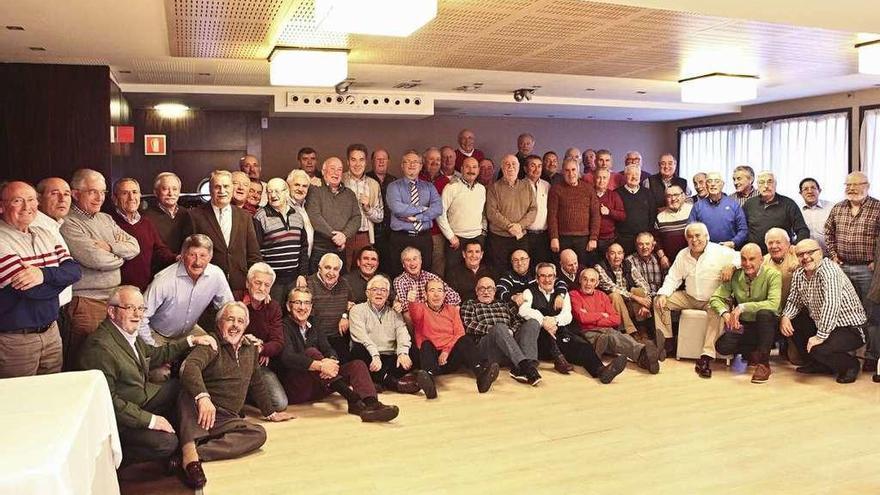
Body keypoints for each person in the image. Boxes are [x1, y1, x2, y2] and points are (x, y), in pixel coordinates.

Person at [78, 286, 216, 468]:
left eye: (141, 308)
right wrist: (151, 420)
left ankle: (188, 446)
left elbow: (155, 354)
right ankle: (112, 460)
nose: (137, 314)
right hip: (120, 420)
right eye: (130, 308)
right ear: (112, 311)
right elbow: (109, 403)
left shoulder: (126, 334)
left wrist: (191, 340)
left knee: (180, 386)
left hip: (140, 399)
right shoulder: (100, 348)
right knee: (167, 443)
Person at [177, 301, 294, 489]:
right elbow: (189, 367)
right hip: (202, 411)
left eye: (240, 321)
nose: (235, 325)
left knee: (258, 434)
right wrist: (203, 397)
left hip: (226, 417)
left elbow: (256, 381)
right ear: (219, 323)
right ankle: (190, 460)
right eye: (230, 319)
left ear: (246, 325)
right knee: (186, 396)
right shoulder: (211, 344)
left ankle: (194, 453)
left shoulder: (251, 348)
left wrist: (270, 412)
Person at [277, 286, 401, 417]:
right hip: (298, 389)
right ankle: (353, 399)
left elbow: (328, 349)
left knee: (357, 365)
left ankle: (371, 404)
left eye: (307, 303)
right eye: (297, 302)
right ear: (288, 306)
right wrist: (320, 365)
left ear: (311, 306)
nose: (303, 307)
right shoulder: (283, 326)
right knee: (311, 352)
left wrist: (331, 360)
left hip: (321, 383)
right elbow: (287, 357)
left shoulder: (314, 322)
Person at [0, 181, 81, 378]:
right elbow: (31, 291)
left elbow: (75, 271)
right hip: (16, 341)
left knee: (51, 395)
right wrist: (59, 278)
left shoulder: (46, 233)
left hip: (52, 333)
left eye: (31, 200)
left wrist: (43, 275)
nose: (27, 207)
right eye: (18, 201)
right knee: (19, 403)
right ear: (2, 206)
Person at [61, 169, 140, 369]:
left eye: (103, 192)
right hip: (86, 303)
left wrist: (111, 247)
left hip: (111, 301)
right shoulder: (68, 222)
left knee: (107, 361)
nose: (99, 198)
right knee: (82, 362)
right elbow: (96, 259)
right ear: (75, 194)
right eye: (92, 192)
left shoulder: (106, 219)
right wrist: (121, 258)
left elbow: (134, 246)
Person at [138, 234, 234, 381]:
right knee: (160, 375)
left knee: (214, 355)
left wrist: (232, 334)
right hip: (158, 334)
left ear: (210, 256)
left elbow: (228, 308)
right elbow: (141, 317)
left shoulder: (216, 275)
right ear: (182, 256)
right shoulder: (163, 280)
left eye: (203, 255)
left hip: (189, 330)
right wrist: (157, 351)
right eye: (192, 255)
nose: (198, 261)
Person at [654, 222, 739, 377]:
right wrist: (663, 294)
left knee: (718, 311)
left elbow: (741, 257)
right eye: (690, 237)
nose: (694, 240)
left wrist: (732, 266)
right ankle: (667, 342)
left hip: (713, 299)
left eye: (698, 235)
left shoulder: (720, 251)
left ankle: (706, 357)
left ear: (706, 236)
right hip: (690, 296)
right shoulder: (683, 254)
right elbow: (673, 277)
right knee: (659, 302)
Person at [519, 263, 627, 383]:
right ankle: (558, 358)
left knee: (583, 347)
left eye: (550, 276)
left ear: (555, 277)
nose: (547, 279)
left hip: (559, 334)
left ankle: (601, 371)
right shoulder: (529, 292)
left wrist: (554, 321)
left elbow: (567, 315)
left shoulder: (562, 293)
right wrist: (544, 320)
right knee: (543, 315)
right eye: (543, 276)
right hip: (541, 341)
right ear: (537, 278)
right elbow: (523, 310)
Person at [781, 239, 868, 384]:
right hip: (825, 324)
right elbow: (794, 301)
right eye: (801, 254)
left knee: (817, 348)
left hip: (850, 329)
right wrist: (785, 317)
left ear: (820, 252)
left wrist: (820, 337)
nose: (805, 257)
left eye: (810, 252)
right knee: (793, 320)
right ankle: (821, 364)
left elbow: (831, 305)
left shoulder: (830, 270)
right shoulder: (799, 274)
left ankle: (850, 365)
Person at [409, 279, 501, 399]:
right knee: (426, 344)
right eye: (432, 291)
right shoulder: (420, 309)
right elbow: (415, 315)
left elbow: (459, 333)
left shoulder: (452, 310)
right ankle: (429, 382)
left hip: (449, 357)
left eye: (440, 290)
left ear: (444, 294)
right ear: (425, 295)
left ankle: (481, 375)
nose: (436, 294)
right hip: (430, 358)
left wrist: (446, 351)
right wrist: (411, 301)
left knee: (465, 340)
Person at [709, 243, 782, 383]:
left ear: (761, 259)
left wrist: (742, 307)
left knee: (764, 314)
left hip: (769, 326)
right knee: (722, 347)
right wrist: (725, 313)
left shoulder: (773, 275)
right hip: (746, 325)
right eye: (744, 259)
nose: (747, 263)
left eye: (752, 259)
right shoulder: (735, 275)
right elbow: (715, 298)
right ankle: (754, 351)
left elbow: (773, 304)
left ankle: (764, 364)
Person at [570, 268, 660, 374]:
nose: (588, 283)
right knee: (611, 336)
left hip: (606, 331)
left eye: (592, 280)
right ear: (580, 280)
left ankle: (644, 358)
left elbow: (616, 319)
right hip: (587, 333)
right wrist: (602, 315)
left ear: (597, 283)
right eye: (585, 279)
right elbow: (582, 318)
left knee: (617, 336)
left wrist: (593, 318)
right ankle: (644, 354)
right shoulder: (574, 294)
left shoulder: (602, 296)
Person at [189, 169, 261, 298]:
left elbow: (254, 255)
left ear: (232, 188)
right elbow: (189, 255)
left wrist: (256, 286)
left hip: (239, 286)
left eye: (226, 186)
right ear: (210, 190)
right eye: (217, 187)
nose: (222, 191)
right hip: (206, 286)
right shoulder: (195, 216)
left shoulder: (244, 217)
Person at [461, 276, 543, 385]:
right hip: (488, 350)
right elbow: (468, 325)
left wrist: (511, 331)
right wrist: (496, 330)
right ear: (476, 291)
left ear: (495, 291)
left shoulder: (504, 304)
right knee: (499, 327)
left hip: (510, 347)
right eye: (482, 288)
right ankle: (526, 366)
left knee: (533, 322)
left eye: (490, 288)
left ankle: (522, 367)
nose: (486, 292)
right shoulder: (470, 304)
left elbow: (518, 321)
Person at [349, 275, 421, 394]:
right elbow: (361, 337)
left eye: (383, 290)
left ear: (388, 294)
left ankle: (380, 379)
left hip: (389, 357)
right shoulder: (357, 310)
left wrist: (403, 352)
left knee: (413, 351)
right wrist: (375, 355)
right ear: (367, 293)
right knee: (358, 349)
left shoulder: (394, 313)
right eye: (375, 289)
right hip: (370, 356)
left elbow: (402, 333)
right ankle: (394, 383)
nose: (379, 293)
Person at [111, 178, 177, 291]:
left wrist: (177, 257)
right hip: (118, 291)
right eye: (125, 193)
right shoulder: (109, 222)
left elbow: (159, 250)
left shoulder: (146, 223)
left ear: (140, 195)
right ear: (115, 198)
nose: (131, 197)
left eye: (135, 192)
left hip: (144, 289)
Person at [386, 150, 442, 278]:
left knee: (425, 275)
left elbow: (438, 208)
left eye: (415, 162)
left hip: (423, 238)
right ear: (402, 165)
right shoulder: (394, 186)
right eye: (408, 162)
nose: (412, 165)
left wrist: (418, 218)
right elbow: (397, 208)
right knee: (398, 274)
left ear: (421, 166)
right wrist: (423, 208)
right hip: (401, 238)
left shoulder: (429, 187)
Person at [253, 178, 309, 303]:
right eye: (269, 191)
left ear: (286, 192)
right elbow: (255, 253)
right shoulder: (260, 216)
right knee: (273, 316)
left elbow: (303, 248)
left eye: (277, 191)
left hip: (294, 279)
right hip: (272, 282)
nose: (273, 195)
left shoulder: (297, 215)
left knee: (293, 315)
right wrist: (264, 284)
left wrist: (302, 274)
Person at [242, 263, 288, 412]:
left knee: (279, 404)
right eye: (258, 283)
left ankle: (248, 394)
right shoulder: (236, 300)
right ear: (248, 283)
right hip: (234, 363)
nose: (262, 288)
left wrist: (263, 348)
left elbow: (278, 342)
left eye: (267, 285)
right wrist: (252, 345)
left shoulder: (273, 307)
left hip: (258, 365)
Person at [305, 157, 362, 274]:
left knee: (340, 286)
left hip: (341, 248)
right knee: (316, 285)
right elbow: (314, 216)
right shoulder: (315, 190)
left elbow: (356, 218)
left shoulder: (349, 194)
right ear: (323, 171)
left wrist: (344, 236)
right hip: (320, 248)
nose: (336, 173)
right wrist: (335, 237)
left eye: (339, 169)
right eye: (332, 169)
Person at [486, 154, 537, 274]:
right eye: (507, 164)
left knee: (522, 270)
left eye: (514, 164)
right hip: (499, 239)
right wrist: (509, 226)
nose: (511, 167)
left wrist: (519, 226)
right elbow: (492, 212)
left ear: (519, 167)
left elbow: (533, 209)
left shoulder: (527, 186)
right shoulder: (494, 187)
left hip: (520, 236)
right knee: (500, 271)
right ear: (502, 168)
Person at [436, 156, 487, 273]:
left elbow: (483, 212)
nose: (471, 170)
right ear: (462, 169)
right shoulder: (451, 187)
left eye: (474, 167)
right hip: (456, 240)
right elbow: (440, 213)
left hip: (477, 238)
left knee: (476, 273)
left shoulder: (481, 189)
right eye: (468, 167)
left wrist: (483, 232)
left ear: (478, 170)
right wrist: (450, 236)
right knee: (453, 273)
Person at [595, 243, 655, 340]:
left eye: (619, 253)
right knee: (615, 295)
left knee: (638, 290)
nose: (616, 257)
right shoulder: (600, 267)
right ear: (607, 255)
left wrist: (646, 301)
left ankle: (642, 327)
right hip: (611, 306)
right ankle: (630, 331)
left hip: (628, 303)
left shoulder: (628, 264)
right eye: (612, 253)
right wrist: (636, 298)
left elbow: (642, 282)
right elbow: (612, 287)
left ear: (623, 255)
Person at [548, 157, 600, 266]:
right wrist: (554, 237)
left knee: (582, 268)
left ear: (578, 171)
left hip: (584, 239)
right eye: (567, 170)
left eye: (573, 170)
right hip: (562, 238)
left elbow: (595, 215)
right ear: (562, 172)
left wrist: (593, 238)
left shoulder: (588, 189)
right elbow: (552, 216)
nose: (570, 173)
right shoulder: (556, 189)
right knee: (562, 268)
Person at [742, 171, 809, 253]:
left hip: (782, 256)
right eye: (761, 182)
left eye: (770, 181)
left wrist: (794, 248)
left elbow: (803, 230)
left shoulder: (788, 204)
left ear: (775, 184)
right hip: (755, 256)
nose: (766, 186)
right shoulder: (749, 204)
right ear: (757, 186)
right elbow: (742, 230)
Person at [305, 253, 354, 362]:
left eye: (335, 269)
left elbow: (351, 304)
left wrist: (345, 316)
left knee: (346, 365)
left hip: (337, 337)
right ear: (319, 268)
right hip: (314, 338)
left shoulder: (345, 284)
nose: (331, 273)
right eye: (327, 268)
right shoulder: (308, 284)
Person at [342, 143, 383, 268]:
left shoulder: (373, 185)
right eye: (353, 160)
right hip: (344, 236)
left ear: (366, 162)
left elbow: (380, 216)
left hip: (364, 236)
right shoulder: (340, 180)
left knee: (364, 273)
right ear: (348, 162)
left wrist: (367, 208)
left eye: (361, 160)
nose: (357, 164)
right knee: (343, 274)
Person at [393, 246, 461, 317]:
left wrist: (437, 305)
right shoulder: (399, 281)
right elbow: (403, 306)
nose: (412, 263)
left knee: (456, 308)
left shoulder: (431, 277)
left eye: (415, 259)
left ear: (421, 261)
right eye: (408, 260)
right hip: (418, 317)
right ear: (403, 265)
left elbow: (455, 298)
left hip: (436, 313)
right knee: (407, 314)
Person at [688, 172, 747, 249]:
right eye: (709, 181)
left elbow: (743, 230)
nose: (713, 184)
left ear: (722, 185)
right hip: (705, 251)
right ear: (706, 185)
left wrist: (733, 242)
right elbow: (690, 229)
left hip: (729, 250)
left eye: (717, 181)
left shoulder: (733, 205)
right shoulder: (698, 206)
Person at [143, 172, 192, 255]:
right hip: (159, 266)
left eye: (175, 189)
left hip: (185, 265)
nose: (171, 193)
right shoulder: (146, 218)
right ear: (155, 192)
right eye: (165, 189)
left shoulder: (187, 214)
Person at [366, 148, 397, 274]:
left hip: (390, 232)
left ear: (388, 161)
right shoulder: (366, 179)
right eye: (378, 159)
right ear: (372, 161)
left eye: (384, 159)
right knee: (370, 265)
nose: (381, 162)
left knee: (389, 266)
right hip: (371, 231)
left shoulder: (394, 181)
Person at [616, 164, 655, 255]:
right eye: (630, 174)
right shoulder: (617, 193)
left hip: (643, 241)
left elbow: (652, 215)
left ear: (640, 176)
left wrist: (647, 235)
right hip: (624, 239)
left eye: (637, 174)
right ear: (625, 176)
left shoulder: (648, 193)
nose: (634, 177)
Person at [522, 154, 552, 265]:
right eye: (533, 166)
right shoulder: (519, 185)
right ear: (525, 168)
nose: (536, 169)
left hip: (543, 236)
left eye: (539, 166)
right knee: (526, 267)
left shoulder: (547, 185)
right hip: (525, 235)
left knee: (542, 267)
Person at [653, 184, 692, 260]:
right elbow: (656, 240)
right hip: (670, 262)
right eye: (669, 196)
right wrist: (662, 257)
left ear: (683, 195)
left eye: (676, 195)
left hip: (692, 260)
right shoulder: (660, 217)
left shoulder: (693, 211)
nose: (673, 198)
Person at [593, 168, 626, 257]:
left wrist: (609, 212)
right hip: (591, 238)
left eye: (604, 178)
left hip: (608, 239)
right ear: (594, 178)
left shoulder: (614, 195)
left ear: (608, 180)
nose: (601, 180)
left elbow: (622, 216)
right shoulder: (589, 194)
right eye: (599, 177)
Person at [626, 232, 667, 297]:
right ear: (636, 246)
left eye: (647, 244)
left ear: (653, 246)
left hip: (658, 297)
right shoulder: (629, 261)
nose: (644, 247)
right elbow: (628, 287)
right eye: (641, 244)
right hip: (641, 299)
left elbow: (667, 281)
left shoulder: (660, 260)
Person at [798, 177, 831, 253]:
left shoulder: (831, 207)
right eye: (805, 189)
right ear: (800, 193)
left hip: (828, 255)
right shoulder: (796, 210)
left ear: (819, 191)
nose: (810, 191)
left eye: (813, 188)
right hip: (805, 256)